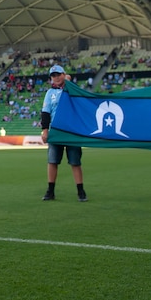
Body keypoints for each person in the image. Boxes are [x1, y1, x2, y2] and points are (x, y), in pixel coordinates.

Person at [40, 65, 87, 202]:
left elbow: (79, 98)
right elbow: (45, 112)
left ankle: (81, 191)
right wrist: (45, 130)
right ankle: (50, 191)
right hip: (56, 130)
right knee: (52, 161)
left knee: (75, 162)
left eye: (58, 74)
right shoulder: (49, 93)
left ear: (64, 74)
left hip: (72, 131)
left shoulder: (71, 89)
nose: (56, 77)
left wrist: (68, 81)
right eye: (53, 75)